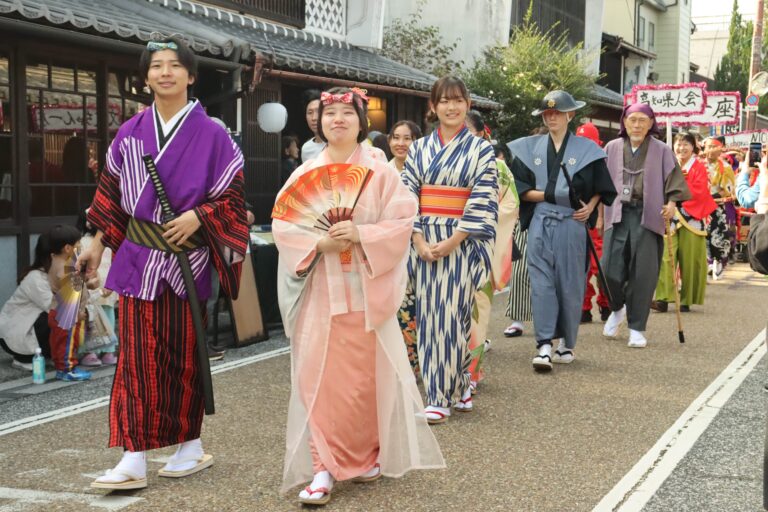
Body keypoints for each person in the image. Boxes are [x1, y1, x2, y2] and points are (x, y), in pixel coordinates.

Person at [80, 37, 248, 490]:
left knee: (183, 357)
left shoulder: (213, 133)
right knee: (135, 360)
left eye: (175, 66)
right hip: (137, 259)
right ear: (146, 76)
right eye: (157, 66)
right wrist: (96, 242)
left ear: (191, 76)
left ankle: (189, 444)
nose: (166, 73)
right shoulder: (131, 131)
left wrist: (200, 215)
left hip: (185, 262)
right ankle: (133, 455)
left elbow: (232, 201)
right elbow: (112, 194)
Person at [274, 86, 444, 505]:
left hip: (365, 293)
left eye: (346, 113)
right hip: (321, 293)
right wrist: (319, 244)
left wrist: (362, 234)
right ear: (319, 122)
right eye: (329, 113)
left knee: (364, 385)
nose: (337, 120)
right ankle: (323, 467)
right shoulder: (303, 173)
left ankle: (367, 455)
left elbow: (403, 220)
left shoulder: (381, 171)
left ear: (361, 122)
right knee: (317, 379)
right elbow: (284, 223)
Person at [401, 76, 498, 423]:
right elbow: (406, 193)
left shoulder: (481, 150)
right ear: (432, 107)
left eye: (458, 100)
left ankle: (440, 395)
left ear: (468, 105)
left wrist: (456, 239)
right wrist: (417, 238)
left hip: (461, 240)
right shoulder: (419, 148)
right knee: (432, 317)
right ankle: (457, 385)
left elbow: (484, 198)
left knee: (450, 315)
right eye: (443, 101)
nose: (451, 107)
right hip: (424, 236)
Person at [508, 91, 616, 371]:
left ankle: (567, 341)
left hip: (572, 222)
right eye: (547, 113)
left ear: (570, 115)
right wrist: (551, 194)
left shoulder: (588, 151)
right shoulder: (527, 149)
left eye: (558, 112)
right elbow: (518, 188)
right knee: (541, 284)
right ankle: (544, 344)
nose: (552, 117)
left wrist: (591, 207)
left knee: (570, 283)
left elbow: (601, 189)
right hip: (541, 221)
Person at [601, 103, 690, 348]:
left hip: (647, 214)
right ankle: (618, 308)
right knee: (608, 269)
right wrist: (598, 215)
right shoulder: (612, 148)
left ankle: (637, 327)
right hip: (617, 214)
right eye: (632, 120)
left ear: (651, 123)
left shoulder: (662, 150)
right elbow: (601, 184)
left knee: (643, 273)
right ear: (624, 122)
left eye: (642, 120)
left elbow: (674, 181)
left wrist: (672, 203)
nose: (637, 125)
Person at [465, 109, 518, 384]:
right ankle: (442, 372)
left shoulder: (497, 167)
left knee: (477, 312)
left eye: (467, 131)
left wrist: (482, 223)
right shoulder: (435, 161)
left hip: (480, 244)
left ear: (481, 133)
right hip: (443, 245)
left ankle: (470, 373)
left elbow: (510, 205)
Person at [652, 132, 717, 313]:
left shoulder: (700, 167)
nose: (681, 148)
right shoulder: (668, 164)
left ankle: (687, 298)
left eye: (685, 144)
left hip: (693, 215)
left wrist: (676, 191)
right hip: (669, 214)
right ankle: (663, 298)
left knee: (690, 259)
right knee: (665, 256)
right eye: (678, 144)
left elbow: (700, 190)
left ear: (693, 146)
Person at [503, 126, 548, 339]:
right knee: (521, 269)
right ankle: (518, 319)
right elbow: (516, 189)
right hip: (526, 216)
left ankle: (549, 318)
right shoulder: (521, 160)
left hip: (556, 218)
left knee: (552, 271)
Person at [386, 120, 423, 374]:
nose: (400, 143)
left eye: (407, 138)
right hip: (387, 247)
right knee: (392, 305)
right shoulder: (380, 171)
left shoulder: (424, 170)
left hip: (418, 243)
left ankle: (417, 363)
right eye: (396, 137)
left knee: (416, 304)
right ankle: (396, 364)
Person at [47, 224, 97, 381]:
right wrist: (79, 312)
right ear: (67, 248)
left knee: (59, 342)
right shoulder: (65, 268)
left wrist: (86, 282)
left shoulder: (55, 259)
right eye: (77, 244)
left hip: (56, 310)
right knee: (67, 342)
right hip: (67, 313)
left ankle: (62, 368)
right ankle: (68, 369)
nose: (80, 246)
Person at [575, 122, 612, 323]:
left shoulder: (602, 161)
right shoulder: (571, 160)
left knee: (602, 266)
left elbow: (605, 193)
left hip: (600, 224)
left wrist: (600, 217)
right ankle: (584, 307)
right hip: (578, 220)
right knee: (581, 266)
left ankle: (606, 303)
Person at [0, 233, 54, 371]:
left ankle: (50, 354)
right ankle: (24, 358)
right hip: (16, 335)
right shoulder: (36, 277)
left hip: (26, 328)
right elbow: (56, 308)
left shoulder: (57, 273)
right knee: (56, 316)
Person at [76, 208, 118, 367]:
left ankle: (101, 352)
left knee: (100, 322)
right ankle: (96, 351)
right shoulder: (83, 242)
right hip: (96, 289)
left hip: (102, 290)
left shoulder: (105, 242)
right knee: (97, 322)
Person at [702, 136, 736, 276]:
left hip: (718, 206)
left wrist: (718, 189)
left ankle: (719, 261)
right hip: (701, 205)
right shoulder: (698, 164)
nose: (709, 150)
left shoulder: (726, 167)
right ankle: (708, 262)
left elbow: (728, 190)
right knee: (704, 233)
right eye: (708, 146)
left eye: (713, 146)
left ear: (720, 149)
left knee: (719, 234)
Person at [301, 89, 326, 163]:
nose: (314, 118)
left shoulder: (339, 144)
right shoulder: (306, 148)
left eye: (318, 111)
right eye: (310, 112)